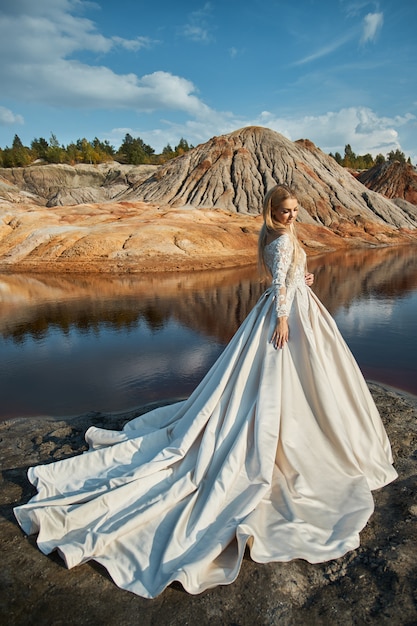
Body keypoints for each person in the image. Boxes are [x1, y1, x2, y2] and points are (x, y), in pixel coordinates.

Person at [14, 184, 397, 599]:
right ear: (271, 211)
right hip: (286, 314)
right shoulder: (282, 238)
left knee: (277, 384)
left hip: (286, 304)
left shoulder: (274, 236)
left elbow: (285, 276)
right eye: (285, 210)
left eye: (294, 208)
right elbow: (282, 287)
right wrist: (284, 319)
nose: (291, 215)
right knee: (289, 383)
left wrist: (301, 278)